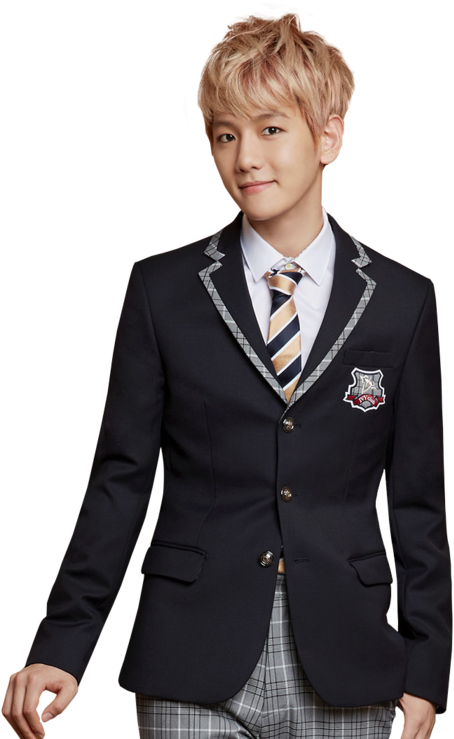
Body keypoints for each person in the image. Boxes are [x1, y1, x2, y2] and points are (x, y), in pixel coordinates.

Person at [2, 7, 451, 739]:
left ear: (329, 135)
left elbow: (419, 502)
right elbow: (120, 479)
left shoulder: (403, 300)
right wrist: (63, 641)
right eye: (224, 134)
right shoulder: (162, 290)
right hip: (190, 653)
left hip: (350, 655)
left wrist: (427, 667)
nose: (245, 158)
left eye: (271, 128)